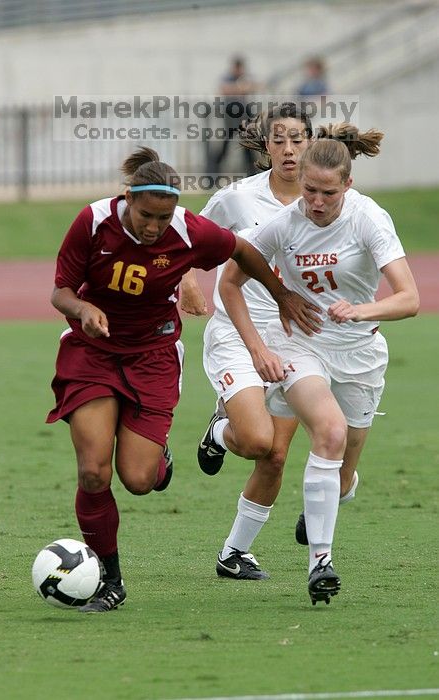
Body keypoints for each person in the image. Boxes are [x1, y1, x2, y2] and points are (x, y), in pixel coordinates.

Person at [45, 146, 319, 613]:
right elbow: (61, 291)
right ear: (127, 198)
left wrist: (281, 295)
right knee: (93, 472)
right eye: (146, 215)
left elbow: (242, 251)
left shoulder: (189, 230)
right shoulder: (92, 222)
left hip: (153, 355)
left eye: (164, 216)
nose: (154, 227)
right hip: (93, 352)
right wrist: (83, 309)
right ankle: (111, 580)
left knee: (137, 479)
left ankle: (157, 457)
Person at [219, 127, 420, 604]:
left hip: (360, 353)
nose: (316, 202)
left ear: (347, 186)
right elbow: (230, 284)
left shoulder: (369, 218)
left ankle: (328, 497)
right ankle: (321, 564)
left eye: (328, 193)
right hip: (300, 346)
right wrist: (257, 349)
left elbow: (409, 299)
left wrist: (361, 310)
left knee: (343, 474)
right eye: (309, 190)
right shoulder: (282, 224)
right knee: (325, 433)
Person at [196, 103, 321, 581]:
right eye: (279, 140)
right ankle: (219, 431)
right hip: (236, 329)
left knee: (275, 454)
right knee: (253, 439)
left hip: (293, 338)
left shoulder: (326, 201)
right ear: (265, 146)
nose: (289, 150)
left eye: (297, 139)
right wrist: (187, 278)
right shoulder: (238, 198)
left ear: (310, 142)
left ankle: (234, 554)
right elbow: (190, 236)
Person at [206, 55, 262, 178]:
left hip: (244, 114)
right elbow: (224, 89)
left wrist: (241, 87)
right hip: (231, 114)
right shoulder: (227, 77)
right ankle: (212, 176)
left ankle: (252, 175)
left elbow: (256, 86)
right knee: (225, 146)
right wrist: (240, 88)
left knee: (248, 146)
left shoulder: (246, 77)